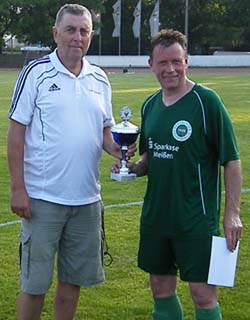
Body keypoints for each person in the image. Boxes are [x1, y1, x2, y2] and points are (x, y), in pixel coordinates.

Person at [7, 4, 135, 320]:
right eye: (70, 29)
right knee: (34, 284)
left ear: (90, 35)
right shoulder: (35, 73)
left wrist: (120, 151)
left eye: (84, 31)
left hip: (87, 199)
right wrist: (17, 189)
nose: (77, 37)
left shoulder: (100, 78)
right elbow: (16, 133)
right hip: (42, 199)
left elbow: (106, 131)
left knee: (72, 281)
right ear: (56, 33)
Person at [124, 29, 242, 319]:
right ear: (151, 64)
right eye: (163, 63)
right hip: (156, 218)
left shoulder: (206, 102)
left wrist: (232, 214)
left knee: (203, 295)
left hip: (195, 221)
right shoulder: (150, 105)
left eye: (176, 61)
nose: (170, 69)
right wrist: (132, 168)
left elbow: (232, 160)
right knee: (160, 291)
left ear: (187, 61)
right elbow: (148, 156)